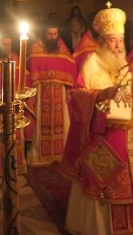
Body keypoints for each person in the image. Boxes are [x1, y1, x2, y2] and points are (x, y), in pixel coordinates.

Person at [62, 4, 133, 235]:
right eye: (113, 41)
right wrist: (101, 95)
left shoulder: (122, 64)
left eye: (120, 41)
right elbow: (77, 96)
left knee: (125, 180)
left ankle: (127, 226)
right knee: (103, 182)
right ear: (103, 41)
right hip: (100, 136)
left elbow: (129, 93)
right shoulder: (91, 62)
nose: (118, 46)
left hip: (123, 135)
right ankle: (99, 228)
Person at [26, 19, 76, 166]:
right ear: (44, 33)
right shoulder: (36, 47)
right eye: (50, 34)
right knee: (42, 122)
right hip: (42, 91)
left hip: (60, 91)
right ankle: (40, 154)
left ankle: (61, 154)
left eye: (55, 34)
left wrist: (68, 89)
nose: (53, 37)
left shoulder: (62, 47)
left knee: (62, 122)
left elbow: (70, 66)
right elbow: (30, 66)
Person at [0, 34, 31, 177]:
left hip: (13, 108)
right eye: (4, 44)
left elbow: (24, 80)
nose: (7, 47)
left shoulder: (17, 59)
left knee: (15, 136)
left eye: (9, 44)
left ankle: (16, 166)